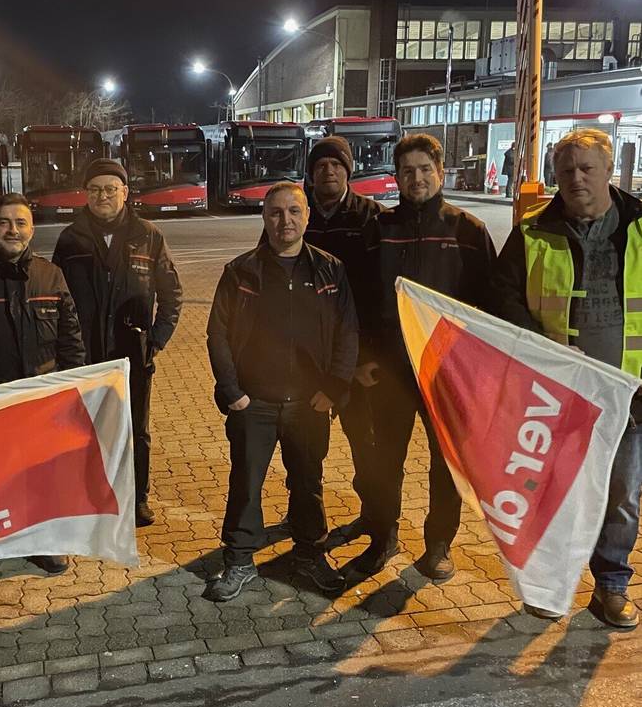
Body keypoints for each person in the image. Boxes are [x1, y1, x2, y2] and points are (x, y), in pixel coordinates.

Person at [490, 128, 642, 628]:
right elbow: (503, 298)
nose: (575, 179)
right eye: (565, 170)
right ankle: (547, 587)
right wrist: (539, 342)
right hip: (553, 396)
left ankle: (612, 587)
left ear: (607, 171)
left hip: (629, 394)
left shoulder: (640, 226)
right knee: (551, 493)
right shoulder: (533, 231)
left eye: (586, 169)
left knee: (621, 495)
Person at [204, 182, 358, 601]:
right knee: (246, 482)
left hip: (310, 404)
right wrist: (233, 391)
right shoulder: (241, 272)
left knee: (308, 482)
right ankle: (238, 560)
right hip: (254, 403)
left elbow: (348, 333)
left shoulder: (330, 270)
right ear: (264, 218)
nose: (285, 220)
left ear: (307, 217)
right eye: (276, 212)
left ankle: (310, 554)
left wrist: (334, 388)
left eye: (294, 211)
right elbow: (217, 334)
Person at [354, 134, 496, 581]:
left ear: (440, 172)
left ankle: (438, 546)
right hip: (390, 372)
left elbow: (488, 307)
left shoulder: (468, 231)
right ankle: (384, 538)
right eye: (407, 171)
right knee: (385, 462)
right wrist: (363, 357)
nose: (416, 178)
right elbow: (358, 299)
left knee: (446, 465)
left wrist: (475, 372)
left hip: (446, 373)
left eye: (424, 170)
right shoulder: (380, 228)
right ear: (396, 177)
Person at [0, 193, 85, 592]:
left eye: (21, 222)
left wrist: (74, 388)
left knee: (39, 478)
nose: (13, 230)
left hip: (41, 401)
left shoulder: (51, 275)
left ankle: (42, 542)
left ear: (32, 228)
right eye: (3, 222)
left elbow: (70, 336)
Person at [52, 159, 182, 526]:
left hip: (132, 355)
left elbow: (172, 295)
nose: (103, 196)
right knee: (88, 429)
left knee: (135, 431)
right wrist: (66, 349)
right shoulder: (70, 238)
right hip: (86, 355)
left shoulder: (149, 236)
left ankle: (137, 497)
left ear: (125, 193)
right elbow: (58, 297)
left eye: (111, 189)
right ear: (86, 195)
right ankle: (92, 494)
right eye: (95, 190)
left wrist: (155, 341)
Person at [302, 136, 385, 543]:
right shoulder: (296, 214)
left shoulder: (372, 218)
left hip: (357, 360)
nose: (328, 172)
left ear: (348, 171)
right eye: (320, 166)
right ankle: (304, 513)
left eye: (336, 165)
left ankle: (375, 519)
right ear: (311, 174)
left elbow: (383, 295)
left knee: (365, 443)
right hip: (306, 360)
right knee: (303, 445)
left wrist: (368, 358)